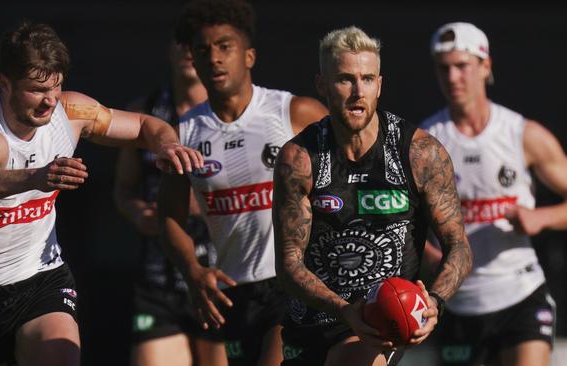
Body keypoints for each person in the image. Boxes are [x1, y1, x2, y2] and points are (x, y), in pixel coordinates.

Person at [0, 21, 202, 366]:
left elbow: (144, 125)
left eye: (56, 87)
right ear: (4, 83)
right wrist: (37, 176)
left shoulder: (71, 112)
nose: (49, 102)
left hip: (41, 279)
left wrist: (166, 146)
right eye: (36, 90)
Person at [272, 25, 473, 366]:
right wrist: (346, 311)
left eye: (367, 79)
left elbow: (460, 248)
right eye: (345, 79)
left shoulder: (420, 153)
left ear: (379, 85)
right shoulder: (300, 158)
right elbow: (288, 266)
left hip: (382, 325)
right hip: (313, 325)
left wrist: (435, 302)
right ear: (322, 85)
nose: (357, 92)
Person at [157, 0, 328, 365]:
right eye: (203, 50)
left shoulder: (294, 114)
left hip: (294, 284)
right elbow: (168, 218)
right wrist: (192, 271)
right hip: (233, 293)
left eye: (225, 47)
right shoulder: (184, 133)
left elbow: (353, 174)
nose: (214, 58)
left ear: (249, 56)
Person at [421, 22, 566, 366]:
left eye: (462, 66)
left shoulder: (521, 134)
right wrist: (428, 254)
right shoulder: (425, 142)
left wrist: (540, 217)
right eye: (444, 68)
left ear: (485, 67)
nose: (453, 77)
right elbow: (402, 219)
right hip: (458, 303)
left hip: (521, 295)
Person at [113, 40, 226, 366]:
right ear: (170, 49)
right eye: (183, 42)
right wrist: (136, 212)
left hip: (219, 278)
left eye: (203, 44)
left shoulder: (236, 116)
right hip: (158, 282)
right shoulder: (145, 112)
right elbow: (123, 189)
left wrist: (200, 205)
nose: (191, 50)